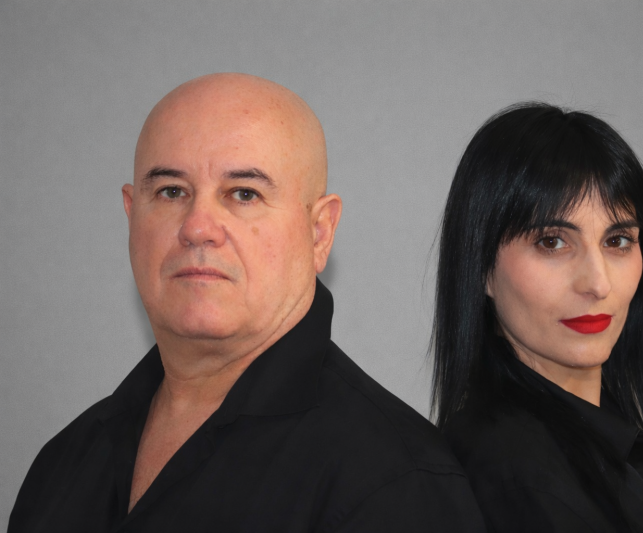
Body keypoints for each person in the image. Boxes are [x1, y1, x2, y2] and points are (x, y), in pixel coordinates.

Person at [10, 73, 486, 533]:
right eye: (171, 191)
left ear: (319, 233)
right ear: (132, 216)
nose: (198, 227)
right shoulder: (65, 461)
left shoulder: (396, 484)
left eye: (244, 194)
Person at [432, 102, 643, 532]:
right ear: (481, 267)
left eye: (617, 240)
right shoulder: (520, 476)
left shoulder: (600, 439)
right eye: (552, 242)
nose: (598, 284)